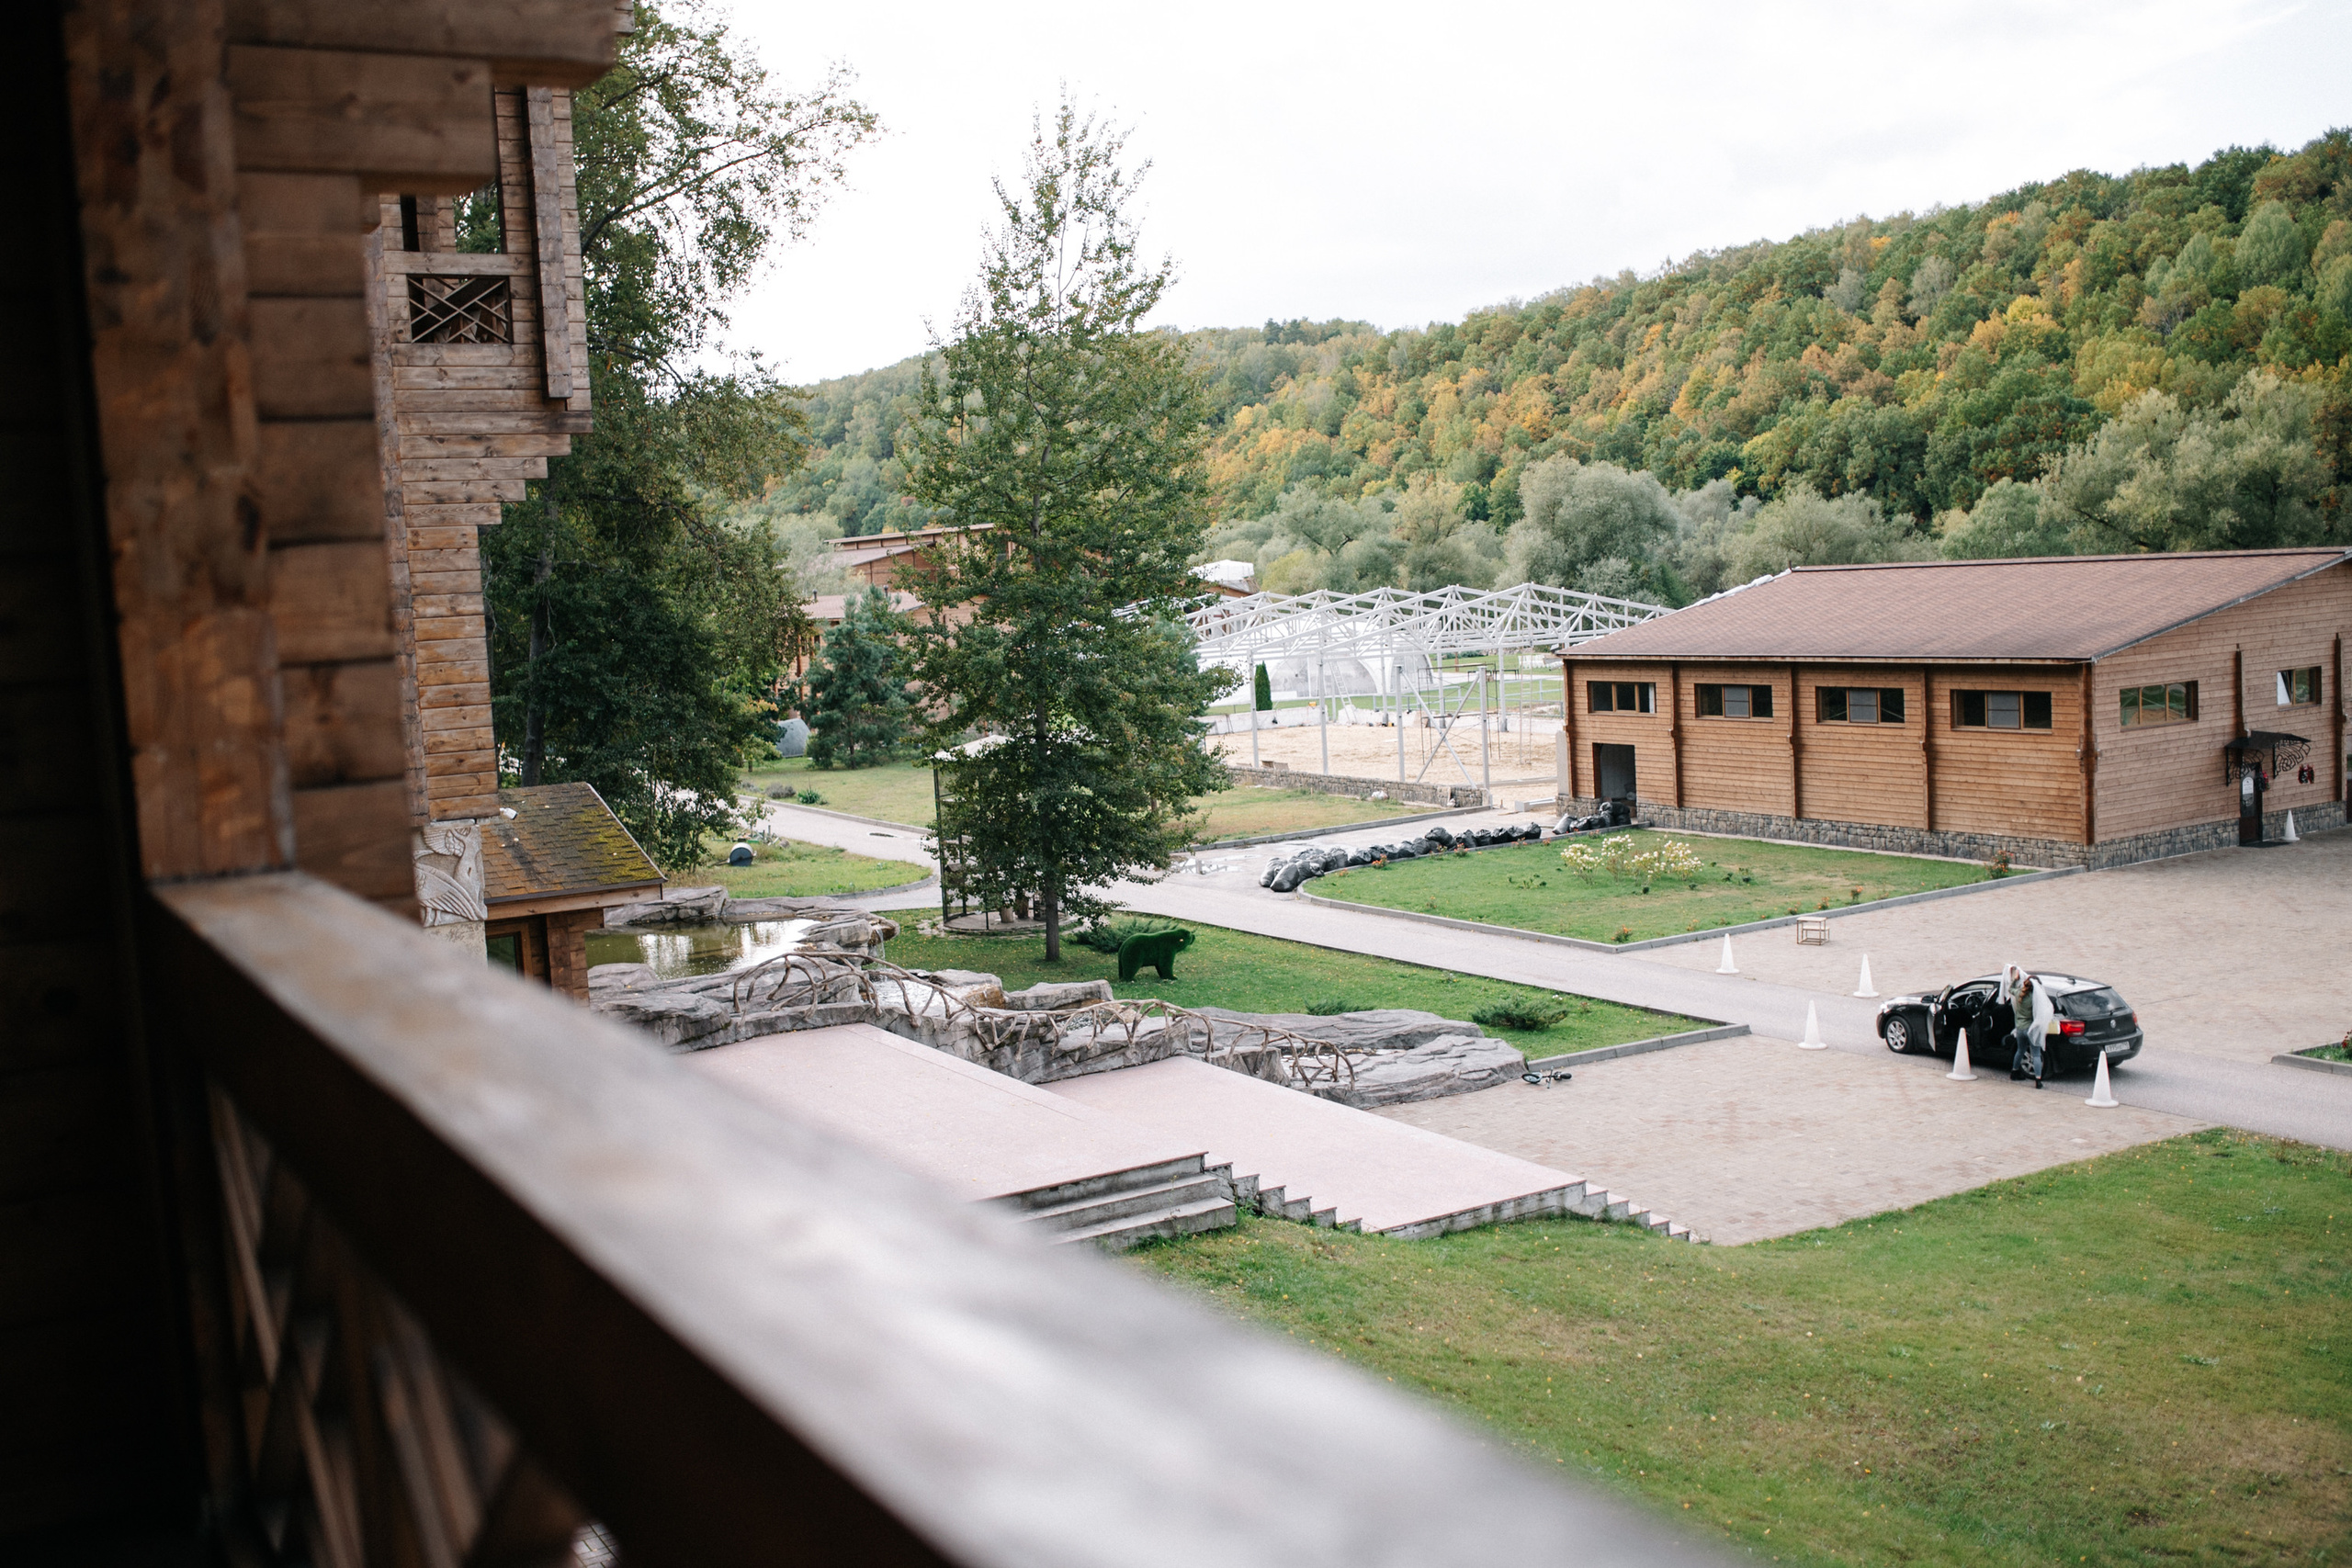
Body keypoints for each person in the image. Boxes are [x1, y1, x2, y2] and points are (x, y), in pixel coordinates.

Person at [2002, 964, 2053, 1087]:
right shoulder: (2036, 999)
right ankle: (2038, 1080)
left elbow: (2010, 989)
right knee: (2036, 1054)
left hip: (2020, 1029)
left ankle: (2014, 1072)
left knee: (2020, 1050)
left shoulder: (2019, 993)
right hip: (2032, 1029)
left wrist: (2015, 978)